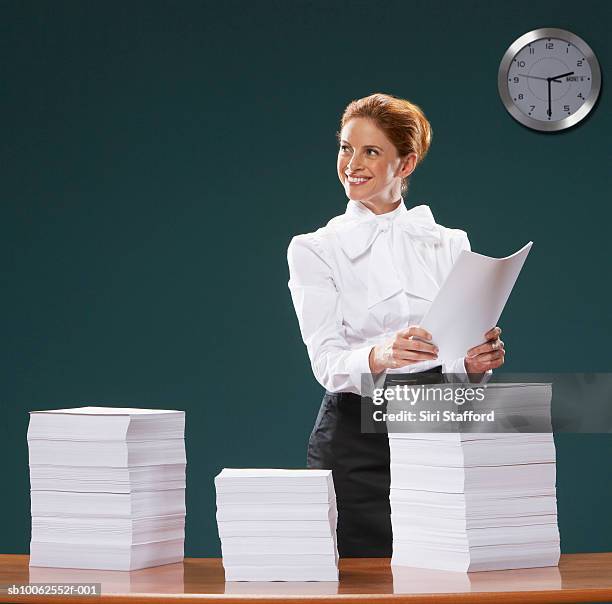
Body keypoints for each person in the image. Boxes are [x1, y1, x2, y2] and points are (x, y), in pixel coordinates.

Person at [286, 93, 505, 557]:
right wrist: (381, 354)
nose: (352, 163)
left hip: (435, 428)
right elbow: (325, 363)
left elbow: (454, 362)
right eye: (346, 148)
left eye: (370, 151)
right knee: (359, 580)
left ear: (405, 165)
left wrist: (474, 363)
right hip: (355, 438)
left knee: (441, 573)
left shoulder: (448, 242)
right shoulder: (313, 249)